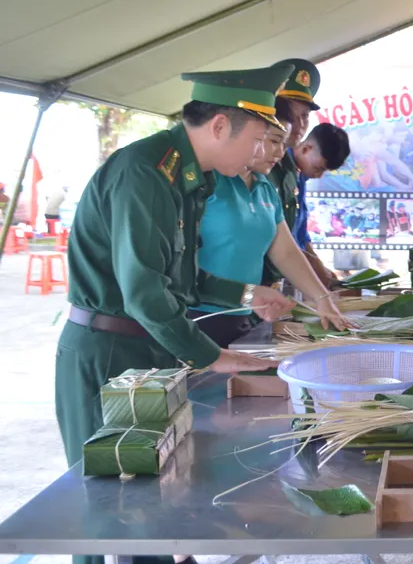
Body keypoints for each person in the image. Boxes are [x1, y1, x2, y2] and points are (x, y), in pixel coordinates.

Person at [57, 66, 297, 564]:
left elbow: (180, 279)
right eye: (256, 138)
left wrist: (248, 292)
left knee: (154, 503)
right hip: (107, 351)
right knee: (105, 505)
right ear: (218, 127)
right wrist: (212, 356)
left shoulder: (189, 178)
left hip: (147, 346)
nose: (260, 153)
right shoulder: (145, 173)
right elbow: (145, 294)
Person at [190, 112, 350, 347]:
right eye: (273, 141)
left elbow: (285, 251)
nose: (279, 152)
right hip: (198, 318)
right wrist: (247, 295)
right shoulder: (206, 179)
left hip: (244, 317)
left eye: (283, 144)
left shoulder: (265, 188)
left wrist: (322, 299)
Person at [262, 58, 350, 290]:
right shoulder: (253, 168)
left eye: (305, 117)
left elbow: (294, 239)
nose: (300, 125)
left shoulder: (290, 172)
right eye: (295, 115)